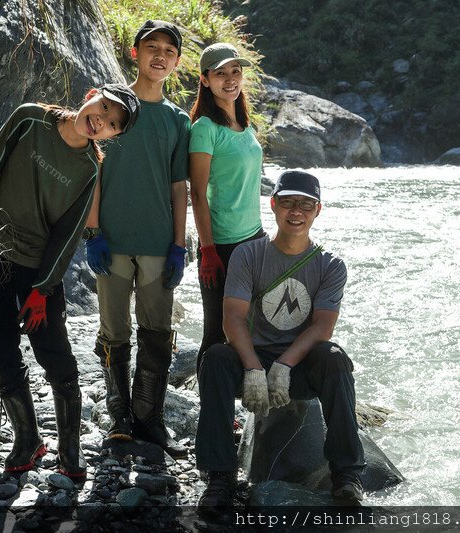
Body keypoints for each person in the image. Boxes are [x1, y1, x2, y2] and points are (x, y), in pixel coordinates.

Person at [0, 84, 140, 482]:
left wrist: (43, 289)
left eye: (112, 125)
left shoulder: (89, 168)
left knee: (55, 357)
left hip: (39, 271)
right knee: (0, 349)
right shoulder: (29, 118)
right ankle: (27, 439)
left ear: (113, 136)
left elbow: (68, 232)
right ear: (92, 94)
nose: (102, 121)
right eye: (105, 108)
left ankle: (69, 447)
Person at [195, 170, 366, 511]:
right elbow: (232, 317)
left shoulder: (330, 265)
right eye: (287, 202)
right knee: (214, 357)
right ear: (273, 205)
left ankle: (347, 474)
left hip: (298, 367)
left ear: (318, 211)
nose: (296, 212)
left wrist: (285, 364)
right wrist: (254, 367)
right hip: (252, 360)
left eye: (306, 204)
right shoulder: (249, 255)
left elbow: (323, 327)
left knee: (334, 357)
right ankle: (220, 476)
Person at [83, 20, 190, 458]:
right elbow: (92, 168)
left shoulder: (177, 120)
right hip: (111, 239)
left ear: (177, 62)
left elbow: (178, 187)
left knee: (158, 332)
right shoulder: (109, 104)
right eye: (151, 47)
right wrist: (92, 231)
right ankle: (119, 416)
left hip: (157, 242)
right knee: (114, 331)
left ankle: (150, 416)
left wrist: (180, 244)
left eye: (168, 49)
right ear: (135, 53)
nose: (159, 55)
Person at [189, 42, 266, 369]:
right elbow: (197, 193)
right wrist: (207, 251)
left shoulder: (245, 125)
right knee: (216, 333)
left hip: (256, 239)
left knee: (255, 328)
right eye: (221, 73)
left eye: (235, 71)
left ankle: (246, 405)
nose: (231, 79)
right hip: (222, 246)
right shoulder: (205, 128)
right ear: (206, 80)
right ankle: (211, 409)